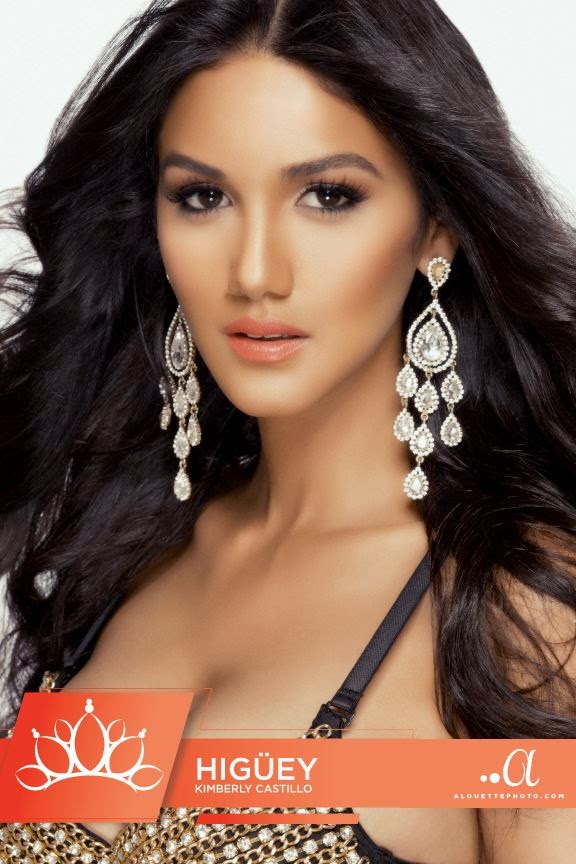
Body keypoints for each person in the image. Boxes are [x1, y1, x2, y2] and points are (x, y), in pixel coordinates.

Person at [0, 1, 575, 862]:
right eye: (203, 197)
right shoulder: (125, 556)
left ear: (437, 228)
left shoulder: (522, 607)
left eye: (328, 196)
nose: (255, 271)